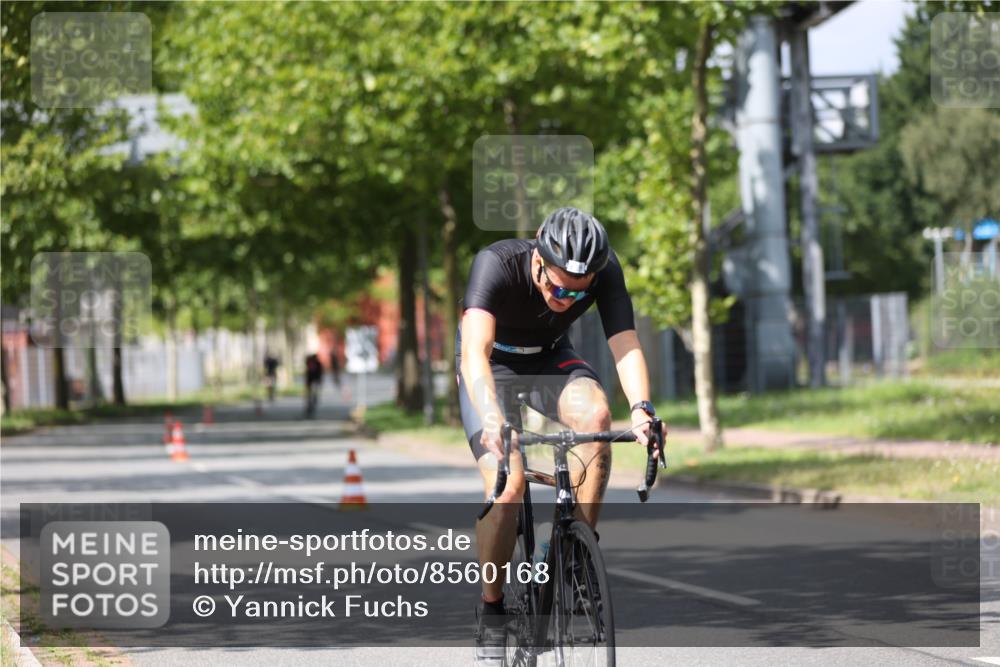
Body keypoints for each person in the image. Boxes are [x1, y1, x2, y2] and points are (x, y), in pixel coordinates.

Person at [458, 207, 662, 665]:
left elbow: (624, 343)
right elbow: (475, 351)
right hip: (490, 369)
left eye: (576, 291)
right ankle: (492, 612)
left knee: (598, 416)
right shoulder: (497, 264)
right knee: (508, 485)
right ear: (537, 256)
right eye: (554, 285)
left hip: (551, 360)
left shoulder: (604, 270)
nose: (564, 297)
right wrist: (492, 416)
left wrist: (642, 409)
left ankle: (573, 556)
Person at [304, 353, 323, 417]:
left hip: (312, 381)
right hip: (313, 381)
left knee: (312, 393)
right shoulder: (315, 363)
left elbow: (319, 373)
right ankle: (311, 403)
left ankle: (311, 403)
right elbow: (320, 373)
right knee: (311, 393)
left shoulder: (313, 363)